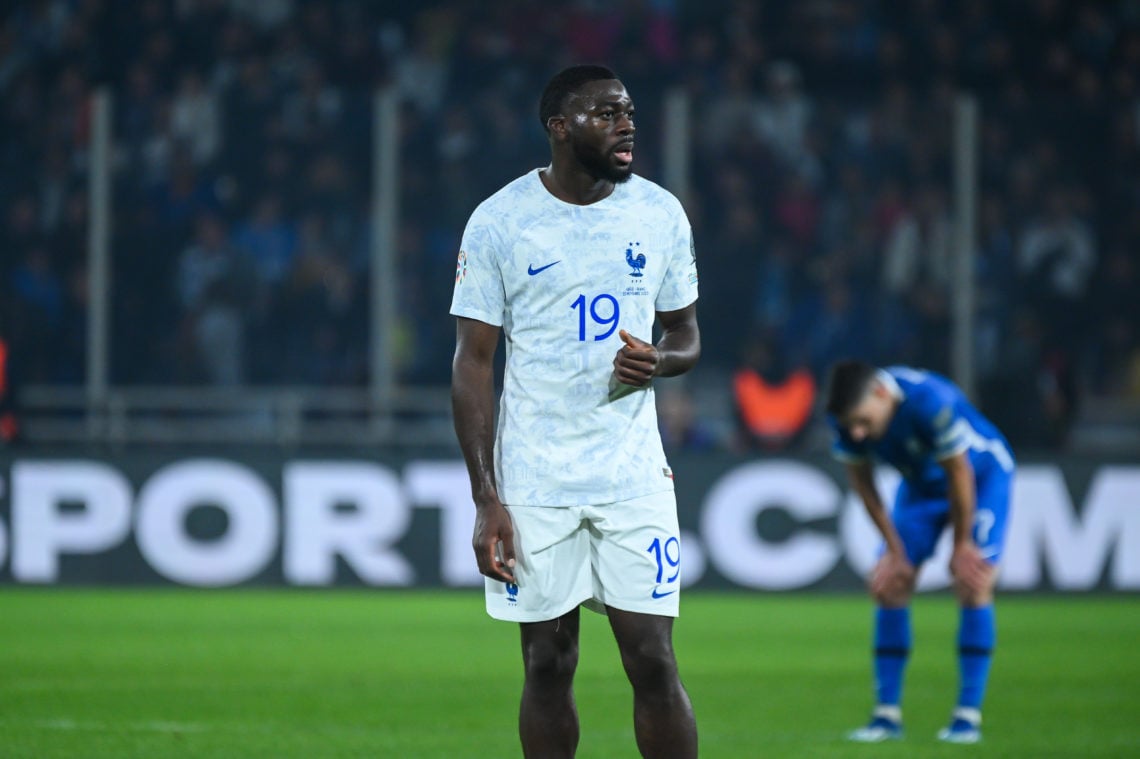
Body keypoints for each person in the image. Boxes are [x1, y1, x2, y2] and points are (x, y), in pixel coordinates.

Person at [450, 64, 700, 758]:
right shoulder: (500, 221)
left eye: (628, 112)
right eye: (606, 113)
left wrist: (661, 359)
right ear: (560, 127)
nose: (627, 125)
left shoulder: (659, 214)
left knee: (652, 659)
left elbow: (686, 335)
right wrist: (486, 498)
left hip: (632, 474)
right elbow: (473, 364)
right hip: (536, 478)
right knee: (547, 663)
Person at [824, 360, 1015, 745]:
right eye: (851, 425)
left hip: (981, 477)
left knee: (972, 582)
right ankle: (886, 717)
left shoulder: (931, 400)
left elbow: (959, 472)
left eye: (863, 421)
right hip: (921, 490)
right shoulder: (846, 420)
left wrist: (961, 546)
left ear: (881, 393)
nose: (857, 433)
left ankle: (966, 719)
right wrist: (896, 553)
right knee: (890, 585)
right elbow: (866, 488)